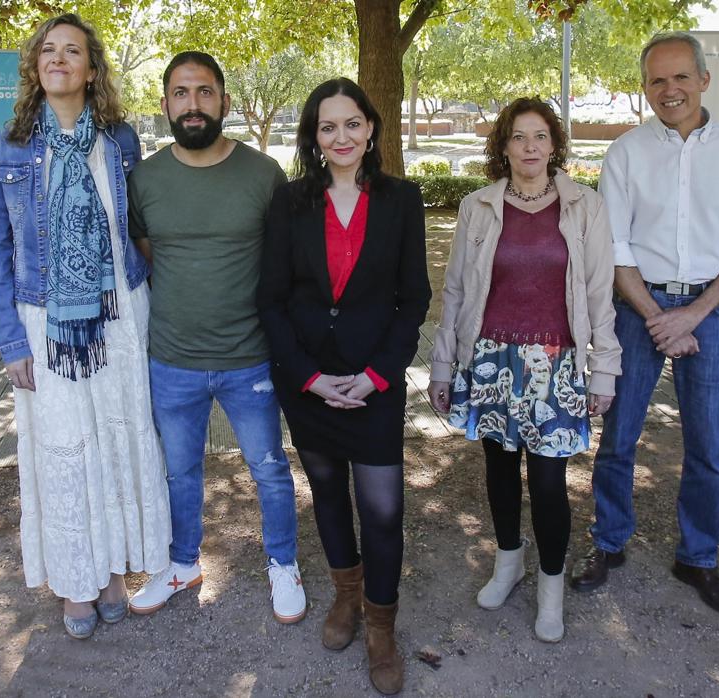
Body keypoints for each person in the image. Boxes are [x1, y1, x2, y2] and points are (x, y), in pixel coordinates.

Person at [0, 13, 171, 640]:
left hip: (118, 317)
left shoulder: (121, 141)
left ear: (91, 69)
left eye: (73, 51)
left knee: (115, 444)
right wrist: (10, 340)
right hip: (44, 323)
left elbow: (139, 232)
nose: (59, 59)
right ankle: (73, 583)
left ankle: (113, 574)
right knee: (63, 451)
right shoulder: (6, 147)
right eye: (48, 50)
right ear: (36, 66)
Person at [572, 31, 719, 619]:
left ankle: (698, 558)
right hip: (639, 310)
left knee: (708, 445)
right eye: (657, 80)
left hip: (712, 311)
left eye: (681, 76)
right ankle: (609, 543)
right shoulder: (627, 152)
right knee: (619, 435)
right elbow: (616, 247)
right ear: (645, 88)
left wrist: (693, 315)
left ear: (705, 80)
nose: (670, 89)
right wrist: (660, 319)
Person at [257, 78, 430, 695]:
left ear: (372, 128)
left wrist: (377, 375)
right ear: (313, 137)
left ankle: (383, 627)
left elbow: (414, 301)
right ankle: (346, 601)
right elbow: (271, 301)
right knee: (328, 496)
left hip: (373, 385)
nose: (341, 137)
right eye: (327, 127)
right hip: (310, 384)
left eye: (351, 123)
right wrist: (307, 377)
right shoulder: (291, 201)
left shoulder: (402, 200)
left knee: (382, 510)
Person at [427, 97, 621, 643]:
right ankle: (508, 562)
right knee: (499, 469)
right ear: (503, 146)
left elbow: (599, 294)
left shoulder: (585, 205)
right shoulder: (478, 207)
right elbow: (458, 291)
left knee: (550, 480)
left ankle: (551, 586)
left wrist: (603, 372)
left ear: (554, 144)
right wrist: (443, 366)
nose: (530, 147)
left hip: (556, 364)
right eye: (518, 137)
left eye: (540, 136)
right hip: (491, 358)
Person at [125, 51, 306, 624]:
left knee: (270, 468)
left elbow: (284, 263)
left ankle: (283, 564)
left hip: (249, 358)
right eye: (181, 93)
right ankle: (182, 564)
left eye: (205, 92)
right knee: (178, 471)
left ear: (224, 101)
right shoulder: (146, 178)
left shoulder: (263, 175)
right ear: (165, 105)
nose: (193, 104)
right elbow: (149, 252)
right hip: (172, 359)